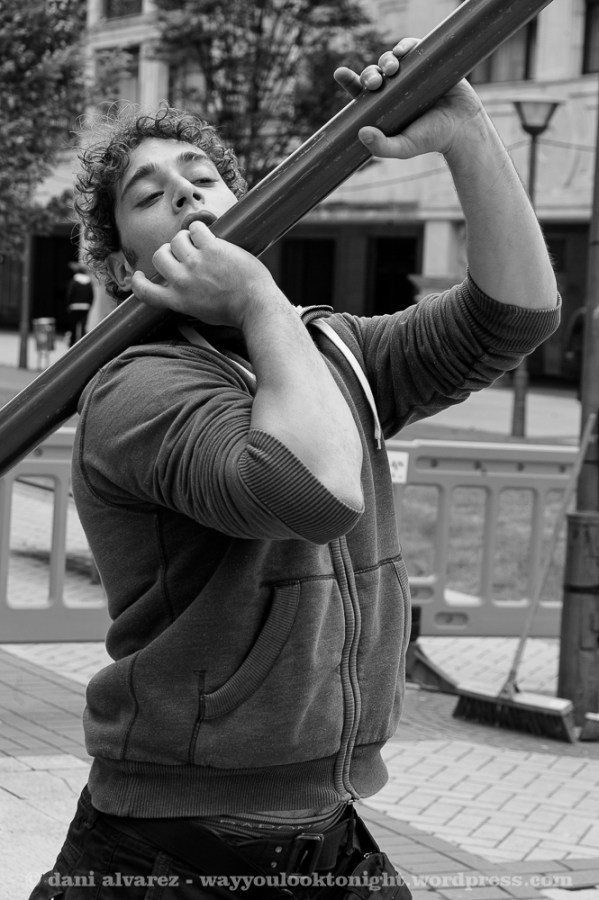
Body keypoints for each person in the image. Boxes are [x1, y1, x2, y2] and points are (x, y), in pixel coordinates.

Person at [30, 39, 560, 899]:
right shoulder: (136, 386)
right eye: (149, 195)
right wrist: (255, 299)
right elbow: (309, 495)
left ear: (255, 211)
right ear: (124, 268)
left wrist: (467, 133)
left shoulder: (332, 350)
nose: (184, 193)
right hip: (170, 839)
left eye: (203, 177)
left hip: (325, 823)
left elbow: (515, 315)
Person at [65, 262, 94, 346]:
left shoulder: (74, 281)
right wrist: (89, 305)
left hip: (74, 306)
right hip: (85, 307)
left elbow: (69, 294)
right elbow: (91, 295)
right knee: (83, 326)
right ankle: (83, 344)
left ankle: (72, 343)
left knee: (73, 326)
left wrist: (68, 304)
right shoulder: (88, 282)